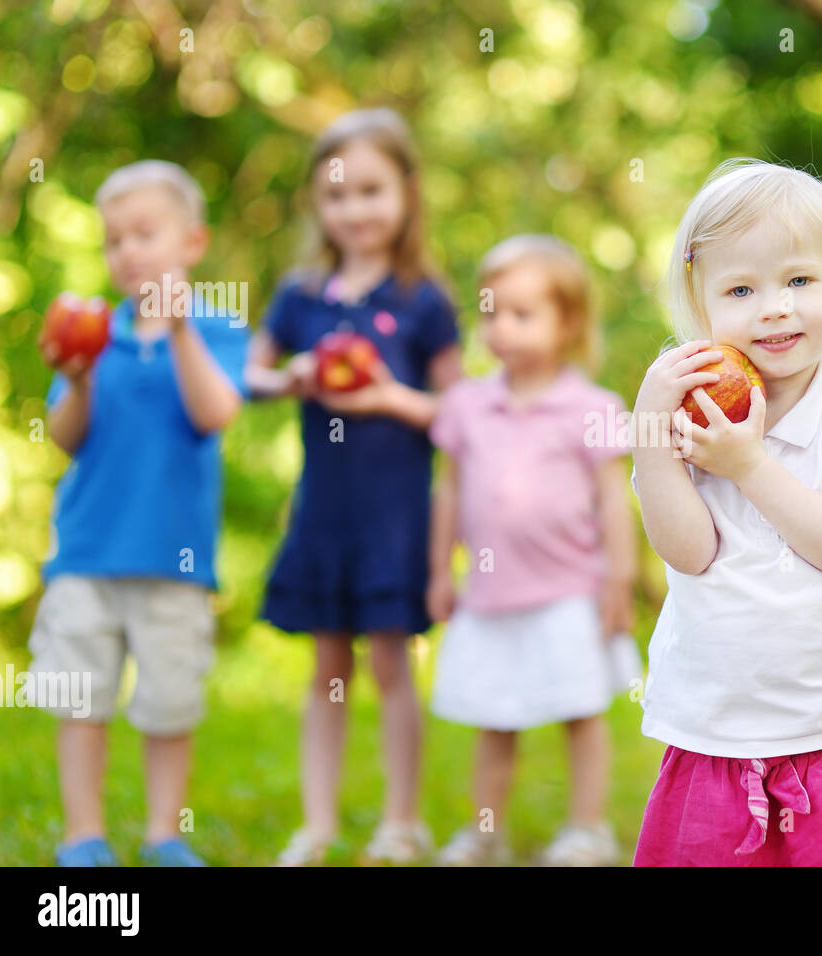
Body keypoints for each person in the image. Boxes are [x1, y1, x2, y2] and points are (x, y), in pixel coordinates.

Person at [629, 158, 822, 866]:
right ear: (701, 310)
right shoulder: (693, 420)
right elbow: (689, 550)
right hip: (715, 735)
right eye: (742, 288)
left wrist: (748, 465)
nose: (775, 305)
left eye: (800, 280)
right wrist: (650, 428)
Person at [244, 108, 463, 866]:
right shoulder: (302, 297)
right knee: (326, 668)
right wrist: (290, 379)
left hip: (395, 518)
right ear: (316, 203)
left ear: (406, 192)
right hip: (325, 515)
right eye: (337, 195)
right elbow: (248, 377)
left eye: (371, 191)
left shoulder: (423, 301)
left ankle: (401, 822)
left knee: (392, 665)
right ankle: (318, 822)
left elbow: (460, 415)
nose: (355, 210)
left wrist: (385, 397)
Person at [30, 160, 248, 866]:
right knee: (81, 700)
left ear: (192, 242)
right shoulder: (92, 336)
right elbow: (65, 438)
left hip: (174, 558)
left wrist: (179, 330)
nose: (127, 251)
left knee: (167, 704)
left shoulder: (215, 331)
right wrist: (76, 377)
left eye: (145, 234)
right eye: (113, 240)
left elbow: (214, 413)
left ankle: (163, 834)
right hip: (88, 553)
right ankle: (82, 835)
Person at [427, 234, 638, 866]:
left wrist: (618, 582)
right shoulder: (467, 404)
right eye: (491, 313)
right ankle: (484, 833)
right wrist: (441, 569)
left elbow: (614, 502)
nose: (503, 329)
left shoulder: (591, 408)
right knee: (496, 720)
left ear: (568, 322)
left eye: (523, 314)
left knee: (580, 713)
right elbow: (449, 492)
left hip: (569, 592)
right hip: (492, 595)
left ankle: (586, 828)